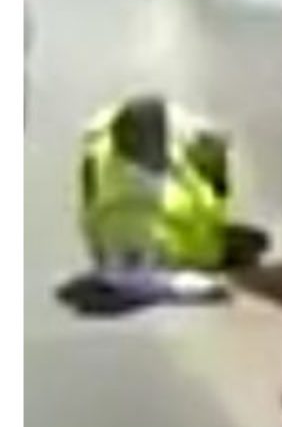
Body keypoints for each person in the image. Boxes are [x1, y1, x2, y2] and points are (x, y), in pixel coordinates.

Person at [77, 94, 238, 291]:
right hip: (171, 257)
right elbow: (137, 281)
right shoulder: (129, 206)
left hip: (128, 251)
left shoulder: (104, 142)